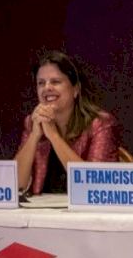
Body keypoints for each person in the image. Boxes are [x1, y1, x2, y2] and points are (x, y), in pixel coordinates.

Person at [15, 50, 120, 194]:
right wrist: (34, 136)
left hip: (84, 208)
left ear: (75, 89)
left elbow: (96, 186)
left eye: (55, 82)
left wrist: (53, 136)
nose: (47, 88)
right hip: (42, 208)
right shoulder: (32, 123)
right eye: (41, 83)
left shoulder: (100, 124)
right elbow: (15, 186)